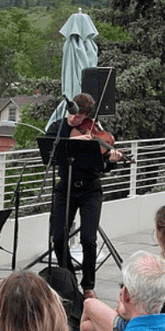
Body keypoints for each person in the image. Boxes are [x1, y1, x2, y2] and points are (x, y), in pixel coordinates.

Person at [79, 205, 165, 331]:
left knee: (89, 304)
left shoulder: (161, 270)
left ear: (161, 233)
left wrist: (121, 306)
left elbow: (134, 311)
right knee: (87, 328)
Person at [46, 92, 125, 299]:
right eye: (74, 115)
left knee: (88, 239)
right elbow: (49, 151)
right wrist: (75, 139)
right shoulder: (57, 128)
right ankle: (69, 279)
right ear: (68, 109)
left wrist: (111, 161)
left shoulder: (94, 131)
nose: (76, 120)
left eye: (81, 117)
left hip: (90, 190)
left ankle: (88, 285)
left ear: (87, 116)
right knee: (59, 237)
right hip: (65, 189)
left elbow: (103, 164)